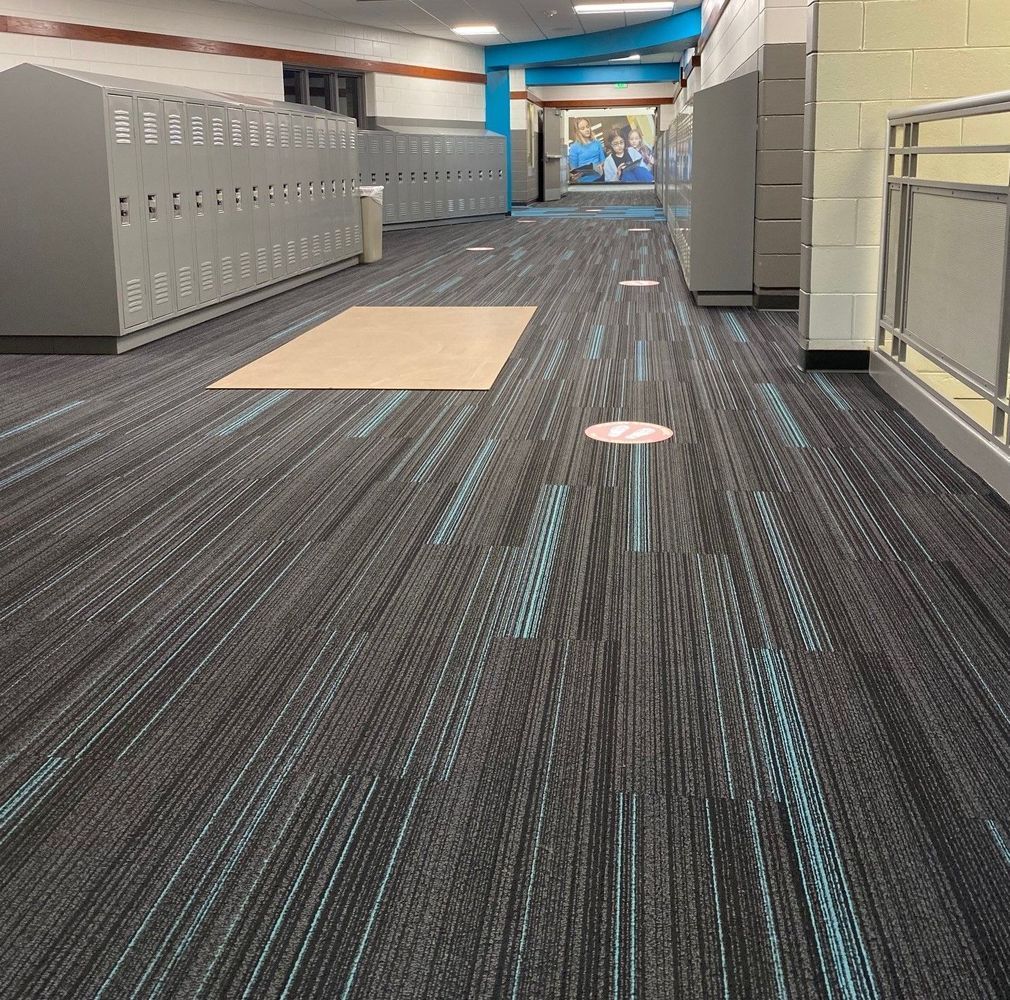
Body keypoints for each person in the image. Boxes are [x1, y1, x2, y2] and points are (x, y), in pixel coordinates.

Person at [568, 118, 605, 183]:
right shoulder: (574, 147)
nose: (587, 129)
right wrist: (574, 176)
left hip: (600, 178)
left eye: (587, 127)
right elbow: (573, 169)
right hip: (583, 182)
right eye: (582, 128)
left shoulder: (597, 142)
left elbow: (603, 160)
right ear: (577, 131)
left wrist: (601, 164)